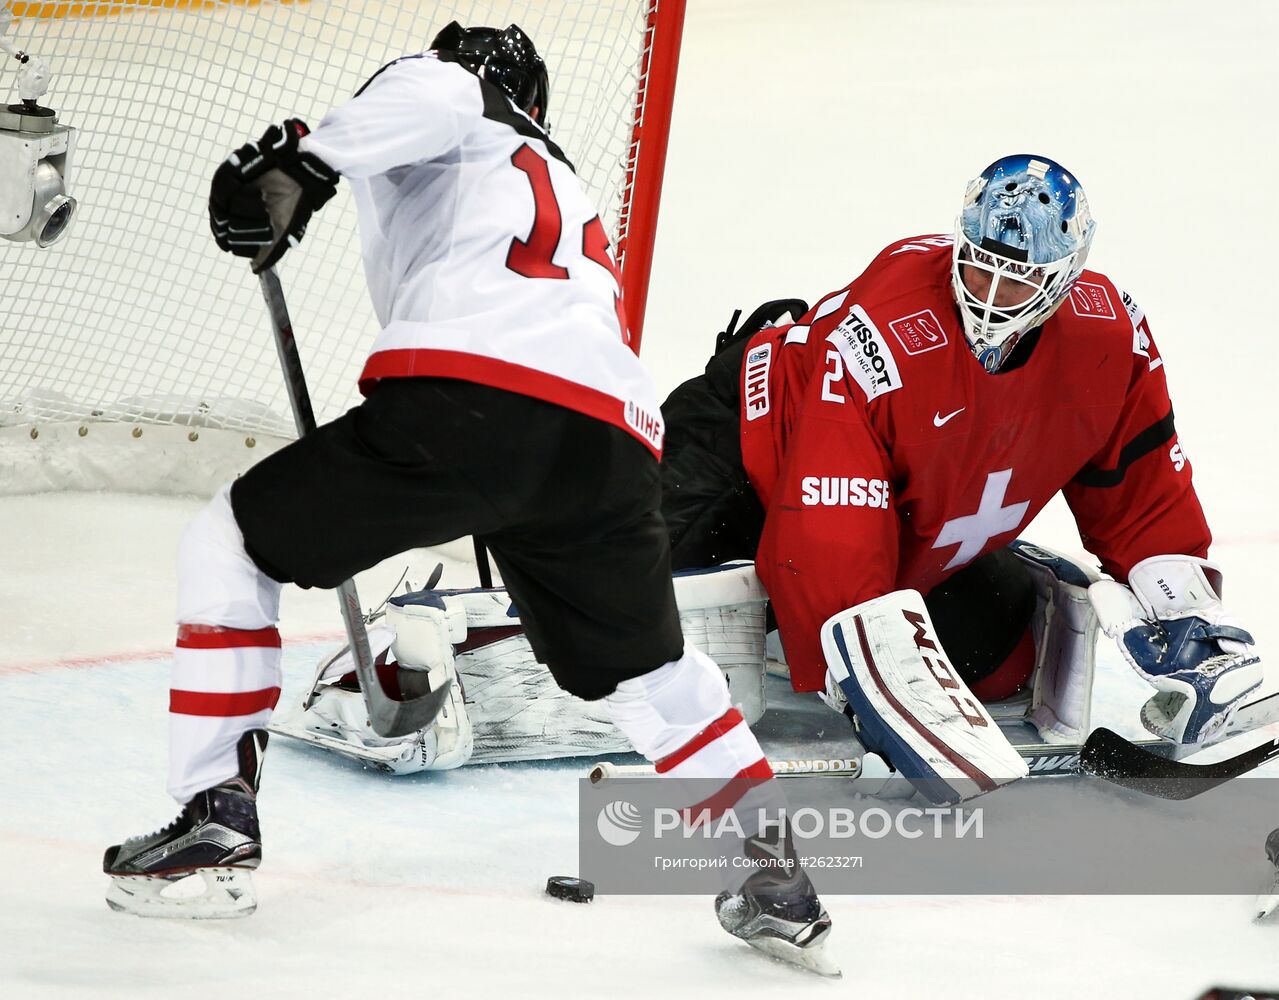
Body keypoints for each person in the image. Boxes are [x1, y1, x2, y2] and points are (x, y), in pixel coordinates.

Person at [101, 23, 835, 973]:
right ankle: (776, 876)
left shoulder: (453, 92)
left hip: (475, 404)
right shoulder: (555, 170)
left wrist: (306, 160)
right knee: (647, 675)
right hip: (608, 440)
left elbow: (437, 94)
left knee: (227, 546)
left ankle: (213, 818)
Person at [660, 154, 1264, 803]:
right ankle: (768, 605)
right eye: (977, 265)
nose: (987, 293)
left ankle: (784, 614)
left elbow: (1142, 493)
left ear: (1063, 277)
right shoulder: (883, 328)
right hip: (751, 442)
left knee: (995, 665)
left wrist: (1186, 615)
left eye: (1016, 281)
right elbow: (830, 513)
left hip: (907, 507)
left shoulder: (1110, 333)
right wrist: (869, 669)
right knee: (619, 581)